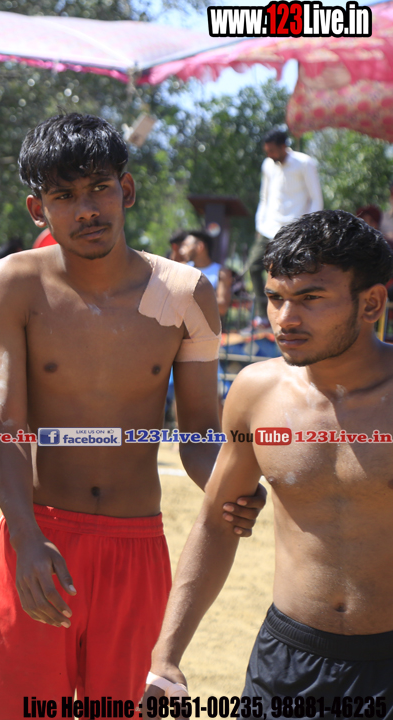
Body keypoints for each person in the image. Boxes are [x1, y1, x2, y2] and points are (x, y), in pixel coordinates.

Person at [0, 114, 265, 712]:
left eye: (99, 188)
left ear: (126, 190)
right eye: (64, 195)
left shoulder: (185, 292)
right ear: (37, 209)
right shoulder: (14, 284)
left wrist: (232, 485)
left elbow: (199, 433)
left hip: (138, 548)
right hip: (39, 539)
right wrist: (25, 537)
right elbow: (4, 427)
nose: (87, 209)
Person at [144, 210, 393, 703]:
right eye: (276, 298)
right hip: (286, 663)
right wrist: (166, 657)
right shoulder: (257, 391)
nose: (285, 319)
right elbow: (216, 522)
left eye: (310, 299)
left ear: (371, 303)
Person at [250, 129, 323, 318]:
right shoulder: (267, 164)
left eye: (272, 151)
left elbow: (316, 198)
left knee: (293, 274)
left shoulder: (305, 163)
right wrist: (260, 225)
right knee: (254, 266)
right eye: (267, 151)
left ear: (283, 146)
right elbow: (264, 197)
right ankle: (262, 316)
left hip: (295, 231)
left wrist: (307, 229)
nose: (269, 155)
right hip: (268, 229)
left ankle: (292, 316)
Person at [179, 229, 233, 317]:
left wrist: (193, 295)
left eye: (186, 245)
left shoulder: (221, 272)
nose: (182, 251)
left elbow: (222, 308)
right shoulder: (182, 268)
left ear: (200, 246)